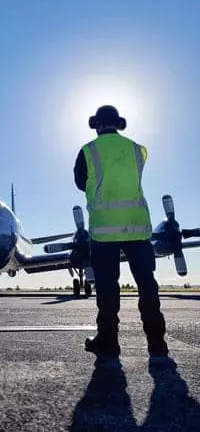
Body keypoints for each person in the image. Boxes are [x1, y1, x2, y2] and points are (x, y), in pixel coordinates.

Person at [73, 105, 169, 363]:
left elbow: (80, 182)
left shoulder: (88, 151)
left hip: (104, 230)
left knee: (107, 289)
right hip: (137, 227)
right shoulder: (138, 149)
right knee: (147, 285)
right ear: (117, 123)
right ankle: (157, 342)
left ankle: (108, 342)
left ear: (97, 125)